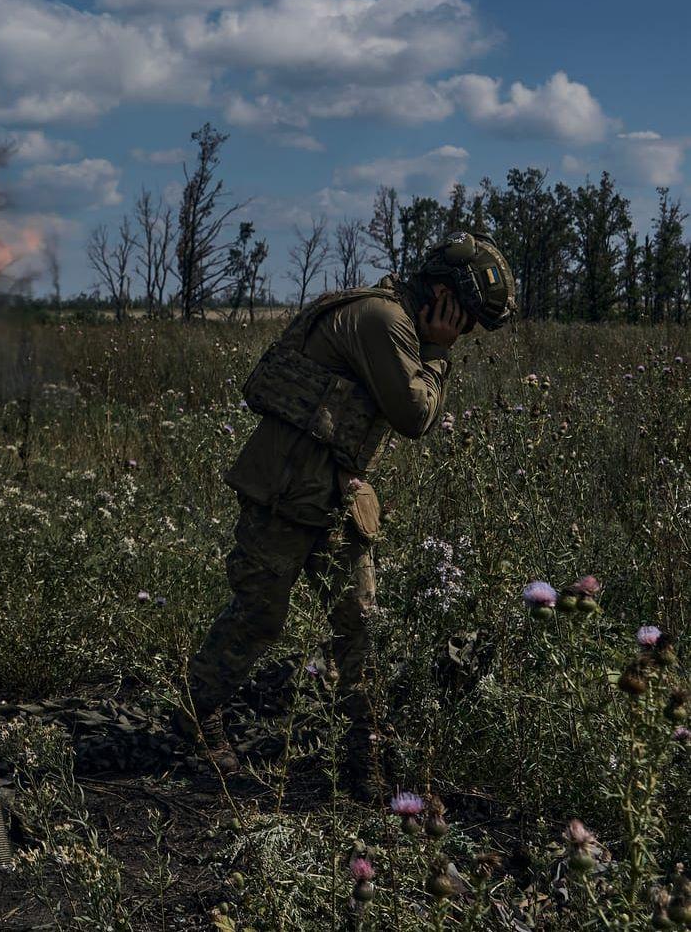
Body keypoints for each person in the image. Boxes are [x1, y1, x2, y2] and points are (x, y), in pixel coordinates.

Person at [174, 231, 516, 800]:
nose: (468, 331)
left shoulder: (393, 317)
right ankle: (196, 716)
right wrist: (436, 354)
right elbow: (414, 415)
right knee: (258, 616)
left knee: (359, 628)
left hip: (335, 496)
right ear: (443, 294)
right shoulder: (383, 320)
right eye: (468, 318)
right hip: (285, 492)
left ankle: (366, 757)